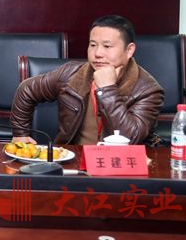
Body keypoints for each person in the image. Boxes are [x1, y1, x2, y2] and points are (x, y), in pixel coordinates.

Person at [10, 15, 164, 145]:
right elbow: (27, 89)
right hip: (73, 160)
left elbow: (131, 138)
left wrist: (107, 89)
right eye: (93, 45)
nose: (97, 53)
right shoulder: (71, 74)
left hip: (119, 167)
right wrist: (20, 134)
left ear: (129, 50)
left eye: (107, 46)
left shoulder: (148, 90)